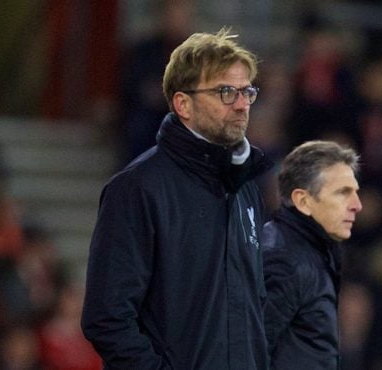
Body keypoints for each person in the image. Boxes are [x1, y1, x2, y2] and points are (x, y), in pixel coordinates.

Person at [81, 28, 273, 369]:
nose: (242, 104)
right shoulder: (137, 189)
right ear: (183, 103)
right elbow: (107, 317)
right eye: (226, 92)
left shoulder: (246, 190)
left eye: (247, 92)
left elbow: (251, 309)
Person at [261, 140, 363, 369]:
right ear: (303, 201)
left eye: (355, 192)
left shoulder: (312, 250)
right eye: (342, 193)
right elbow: (247, 351)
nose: (357, 205)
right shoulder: (285, 260)